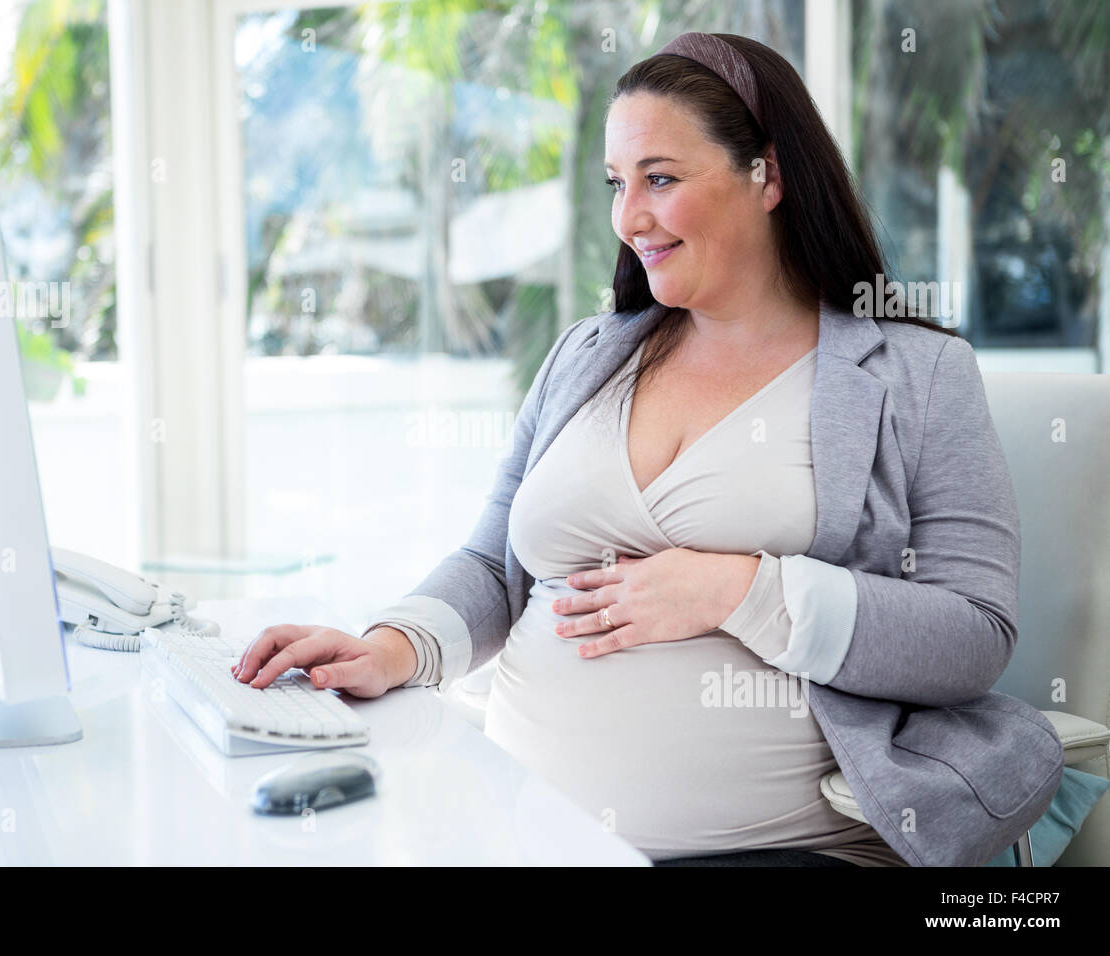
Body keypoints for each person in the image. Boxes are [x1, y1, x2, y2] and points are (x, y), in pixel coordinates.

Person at [233, 32, 1023, 867]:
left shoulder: (918, 374)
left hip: (781, 848)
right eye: (617, 183)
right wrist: (389, 648)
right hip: (518, 825)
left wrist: (742, 589)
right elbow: (491, 561)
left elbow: (975, 636)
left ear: (770, 177)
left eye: (661, 178)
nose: (629, 217)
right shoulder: (587, 354)